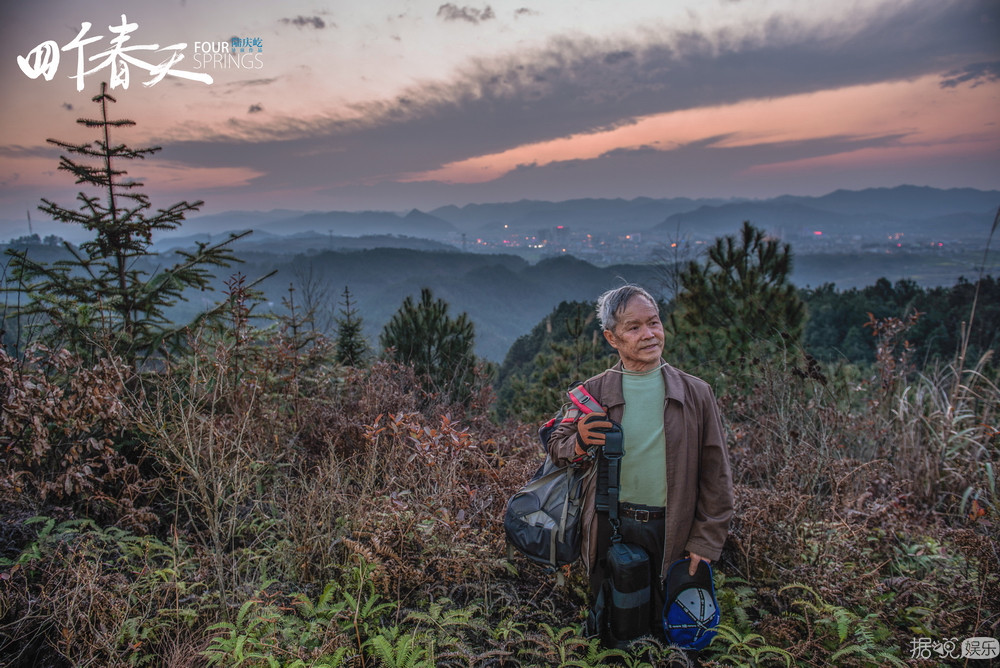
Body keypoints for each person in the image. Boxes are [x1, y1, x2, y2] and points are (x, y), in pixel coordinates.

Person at [547, 284, 734, 643]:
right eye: (634, 327)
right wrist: (582, 439)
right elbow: (558, 447)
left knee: (671, 630)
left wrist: (706, 542)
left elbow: (717, 476)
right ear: (611, 338)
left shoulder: (695, 393)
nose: (649, 334)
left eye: (654, 322)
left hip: (674, 530)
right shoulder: (593, 393)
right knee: (616, 625)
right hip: (612, 528)